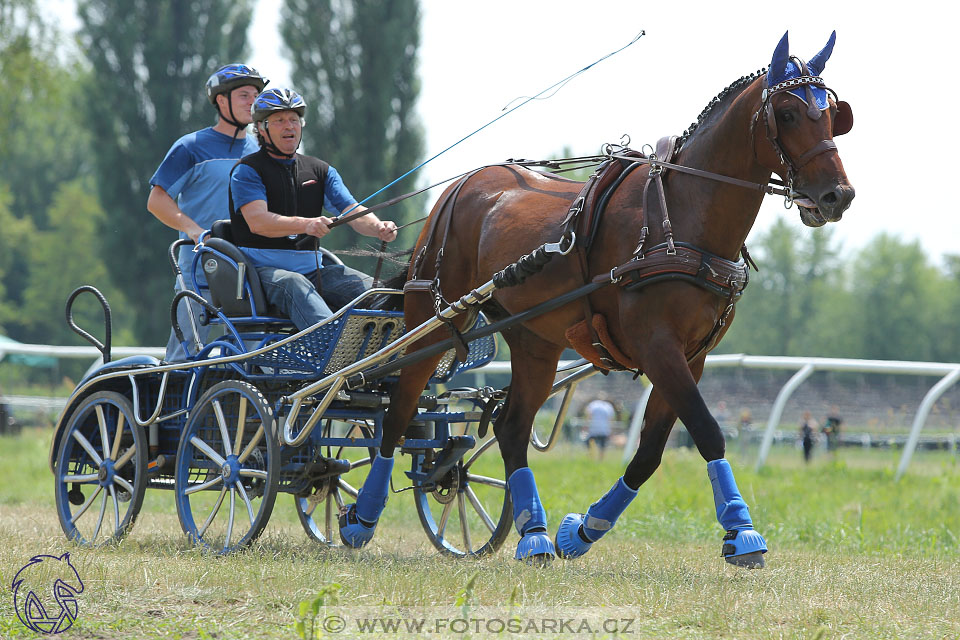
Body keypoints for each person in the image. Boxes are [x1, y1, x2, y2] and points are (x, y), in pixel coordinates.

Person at [228, 88, 397, 330]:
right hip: (262, 274)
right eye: (279, 121)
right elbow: (259, 222)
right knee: (294, 284)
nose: (289, 126)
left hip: (315, 270)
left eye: (294, 120)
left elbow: (351, 209)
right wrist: (306, 224)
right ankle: (334, 354)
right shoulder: (247, 171)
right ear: (262, 128)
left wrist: (378, 227)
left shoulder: (320, 170)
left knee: (380, 293)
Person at [148, 64, 268, 360]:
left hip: (246, 269)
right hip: (199, 267)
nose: (252, 101)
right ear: (220, 101)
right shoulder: (191, 146)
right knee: (186, 352)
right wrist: (193, 230)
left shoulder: (262, 151)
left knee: (251, 353)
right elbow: (157, 200)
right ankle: (174, 405)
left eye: (256, 94)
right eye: (243, 95)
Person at [584, 395, 616, 459]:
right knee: (602, 447)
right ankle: (600, 460)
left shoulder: (593, 404)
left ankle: (591, 457)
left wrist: (586, 426)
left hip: (594, 429)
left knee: (589, 443)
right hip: (604, 429)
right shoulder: (608, 406)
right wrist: (611, 430)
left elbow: (588, 415)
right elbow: (611, 419)